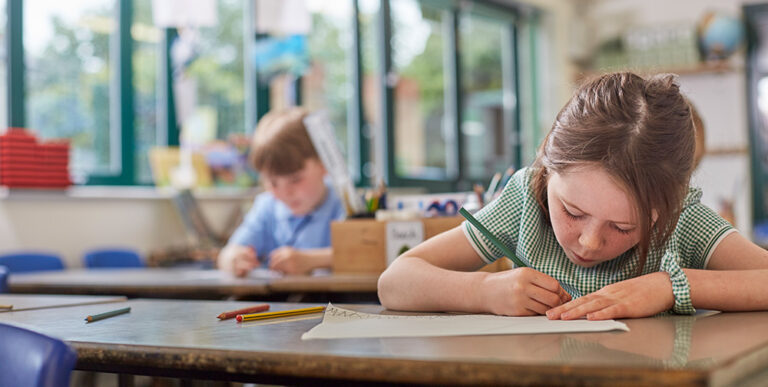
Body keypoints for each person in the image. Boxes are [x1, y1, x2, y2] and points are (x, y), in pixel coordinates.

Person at [378, 72, 768, 320]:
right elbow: (395, 281)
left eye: (622, 226)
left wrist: (669, 287)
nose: (589, 241)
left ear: (662, 209)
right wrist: (482, 292)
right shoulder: (525, 200)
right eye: (573, 211)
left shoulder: (680, 218)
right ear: (549, 167)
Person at [217, 107, 345, 277]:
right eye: (273, 182)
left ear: (323, 164)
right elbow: (227, 254)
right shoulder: (267, 206)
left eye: (295, 180)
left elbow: (367, 257)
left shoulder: (345, 205)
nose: (286, 193)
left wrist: (311, 260)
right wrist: (233, 259)